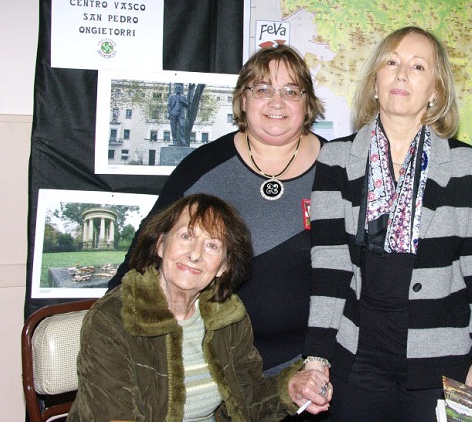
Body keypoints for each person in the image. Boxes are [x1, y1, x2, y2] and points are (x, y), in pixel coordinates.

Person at [302, 26, 472, 421]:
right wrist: (316, 355)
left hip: (440, 361)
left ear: (435, 92)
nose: (401, 74)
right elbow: (328, 268)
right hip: (359, 355)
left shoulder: (464, 164)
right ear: (375, 82)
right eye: (391, 62)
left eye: (417, 66)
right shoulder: (336, 160)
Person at [111, 45, 325, 374]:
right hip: (213, 366)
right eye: (263, 89)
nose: (276, 102)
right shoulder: (204, 167)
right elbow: (142, 256)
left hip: (314, 366)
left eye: (291, 91)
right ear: (243, 99)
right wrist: (107, 333)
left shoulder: (338, 168)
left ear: (307, 102)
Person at [68, 194, 331, 420]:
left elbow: (247, 403)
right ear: (160, 245)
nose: (195, 254)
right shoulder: (114, 317)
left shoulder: (227, 314)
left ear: (224, 266)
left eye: (212, 245)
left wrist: (292, 388)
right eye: (186, 236)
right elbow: (115, 417)